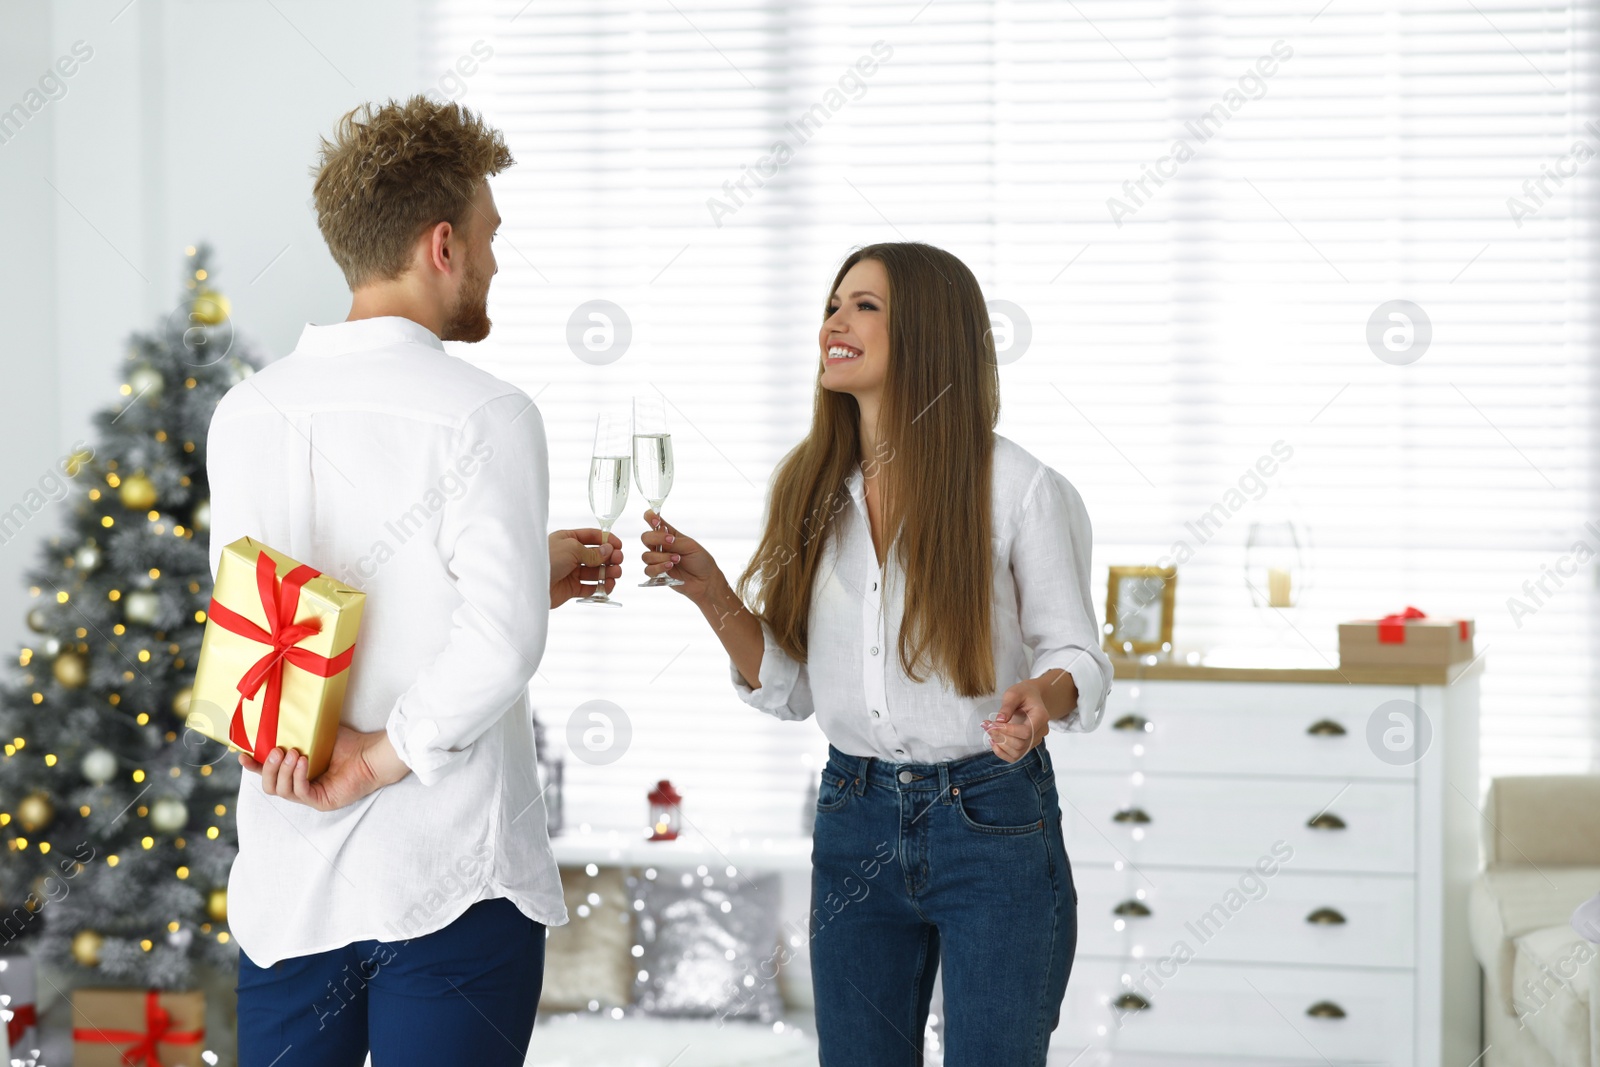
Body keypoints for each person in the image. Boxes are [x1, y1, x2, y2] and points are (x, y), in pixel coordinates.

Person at [206, 95, 619, 1066]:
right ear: (442, 245)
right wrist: (374, 758)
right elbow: (500, 642)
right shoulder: (485, 413)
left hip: (289, 873)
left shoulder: (248, 411)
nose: (493, 263)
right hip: (451, 873)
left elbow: (255, 618)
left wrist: (528, 569)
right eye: (488, 237)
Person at [637, 241, 1112, 1066]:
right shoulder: (810, 488)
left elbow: (1079, 651)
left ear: (930, 333)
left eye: (865, 305)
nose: (836, 321)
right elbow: (791, 689)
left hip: (992, 821)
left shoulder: (1018, 487)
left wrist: (1047, 691)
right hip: (854, 816)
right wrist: (710, 589)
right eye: (832, 304)